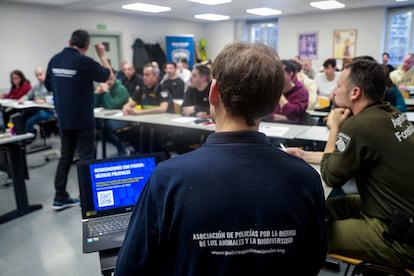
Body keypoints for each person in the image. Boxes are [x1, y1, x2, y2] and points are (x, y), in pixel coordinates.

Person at [115, 42, 327, 275]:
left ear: (213, 91)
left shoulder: (168, 179)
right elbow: (313, 260)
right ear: (273, 101)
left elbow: (131, 269)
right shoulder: (306, 178)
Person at [287, 59, 414, 267]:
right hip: (396, 212)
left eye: (338, 86)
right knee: (319, 207)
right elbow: (346, 158)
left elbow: (330, 175)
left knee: (307, 234)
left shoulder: (359, 125)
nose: (334, 91)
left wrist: (335, 127)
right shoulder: (390, 114)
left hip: (398, 235)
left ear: (354, 93)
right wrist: (304, 155)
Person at [45, 29, 112, 210]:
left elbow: (48, 85)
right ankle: (89, 198)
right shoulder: (84, 62)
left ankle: (59, 197)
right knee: (87, 158)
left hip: (63, 120)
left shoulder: (55, 59)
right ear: (87, 46)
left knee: (65, 157)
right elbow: (108, 76)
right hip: (82, 120)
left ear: (69, 41)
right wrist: (102, 55)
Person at [121, 63, 173, 153]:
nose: (144, 77)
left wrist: (140, 112)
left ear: (156, 76)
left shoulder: (162, 89)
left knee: (148, 137)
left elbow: (163, 108)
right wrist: (125, 108)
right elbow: (131, 103)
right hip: (146, 123)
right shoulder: (142, 89)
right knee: (127, 133)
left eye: (147, 75)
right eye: (143, 74)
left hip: (161, 125)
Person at [94, 72, 129, 156]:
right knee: (95, 125)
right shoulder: (104, 88)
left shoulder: (121, 89)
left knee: (106, 128)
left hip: (123, 118)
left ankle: (122, 148)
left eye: (108, 80)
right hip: (108, 117)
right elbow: (94, 105)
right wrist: (97, 93)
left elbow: (111, 106)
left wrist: (106, 92)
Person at [269, 59, 309, 124]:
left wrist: (279, 93)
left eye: (280, 73)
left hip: (295, 128)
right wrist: (273, 117)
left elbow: (292, 113)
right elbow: (262, 113)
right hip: (272, 126)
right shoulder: (270, 90)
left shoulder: (302, 92)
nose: (277, 76)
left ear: (290, 74)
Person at [17, 67, 55, 135]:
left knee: (30, 120)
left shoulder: (52, 84)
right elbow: (28, 95)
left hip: (50, 111)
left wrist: (44, 100)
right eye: (37, 75)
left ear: (45, 74)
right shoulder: (37, 85)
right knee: (23, 115)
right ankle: (22, 135)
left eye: (40, 74)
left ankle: (28, 138)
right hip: (37, 109)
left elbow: (55, 98)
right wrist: (23, 99)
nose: (38, 77)